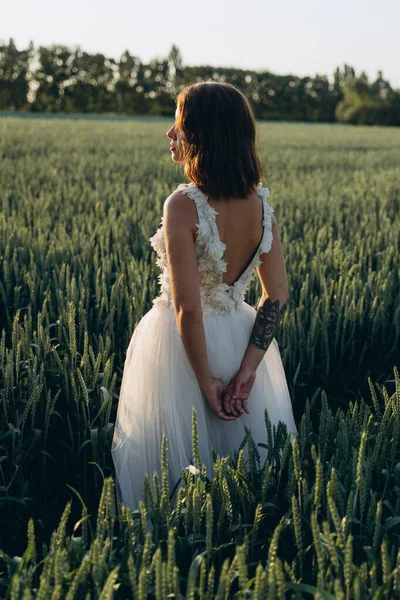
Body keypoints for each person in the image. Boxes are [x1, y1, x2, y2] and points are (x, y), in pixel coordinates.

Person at [111, 81, 297, 514]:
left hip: (182, 350)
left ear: (203, 134)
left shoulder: (182, 204)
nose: (169, 134)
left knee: (171, 468)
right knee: (240, 469)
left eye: (178, 125)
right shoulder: (262, 206)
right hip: (239, 341)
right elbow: (277, 295)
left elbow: (187, 307)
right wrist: (248, 369)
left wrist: (202, 380)